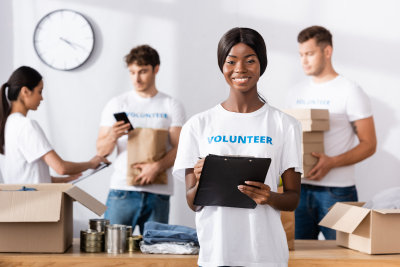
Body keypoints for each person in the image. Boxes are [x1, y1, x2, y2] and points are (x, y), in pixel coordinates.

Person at [173, 27, 302, 267]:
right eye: (231, 61)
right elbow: (192, 203)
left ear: (261, 65)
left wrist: (269, 196)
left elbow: (293, 199)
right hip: (216, 256)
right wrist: (202, 179)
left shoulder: (285, 125)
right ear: (222, 66)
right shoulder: (197, 125)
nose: (240, 69)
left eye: (250, 61)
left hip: (266, 257)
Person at [286, 25, 377, 240]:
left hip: (337, 191)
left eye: (309, 54)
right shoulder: (295, 91)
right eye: (301, 55)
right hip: (298, 189)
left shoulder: (350, 91)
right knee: (298, 257)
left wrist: (332, 162)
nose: (304, 60)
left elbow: (369, 143)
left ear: (327, 52)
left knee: (344, 257)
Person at [96, 45, 185, 234]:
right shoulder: (117, 103)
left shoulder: (171, 105)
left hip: (158, 193)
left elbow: (181, 149)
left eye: (143, 71)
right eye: (132, 72)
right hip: (122, 190)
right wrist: (112, 135)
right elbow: (101, 151)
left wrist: (156, 167)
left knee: (156, 254)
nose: (136, 78)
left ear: (156, 69)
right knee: (111, 255)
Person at [0, 66, 108, 184]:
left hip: (18, 200)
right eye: (39, 91)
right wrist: (91, 163)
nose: (41, 98)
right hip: (34, 201)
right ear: (25, 91)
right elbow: (61, 168)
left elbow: (22, 174)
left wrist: (62, 180)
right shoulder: (26, 125)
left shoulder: (8, 124)